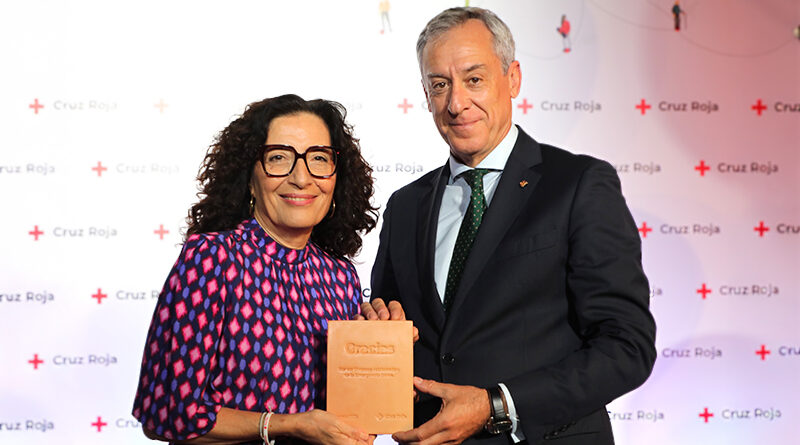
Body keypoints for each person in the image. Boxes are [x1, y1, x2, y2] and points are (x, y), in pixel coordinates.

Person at [364, 7, 656, 445]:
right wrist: (379, 339)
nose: (456, 103)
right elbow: (394, 333)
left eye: (474, 79)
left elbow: (626, 346)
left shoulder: (578, 184)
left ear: (513, 78)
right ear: (425, 94)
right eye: (439, 85)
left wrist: (497, 405)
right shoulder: (405, 206)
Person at [132, 94, 379, 445]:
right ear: (250, 178)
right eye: (278, 158)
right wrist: (284, 425)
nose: (301, 178)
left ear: (336, 178)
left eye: (318, 159)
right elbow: (166, 415)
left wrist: (387, 363)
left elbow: (347, 417)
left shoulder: (340, 277)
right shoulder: (212, 260)